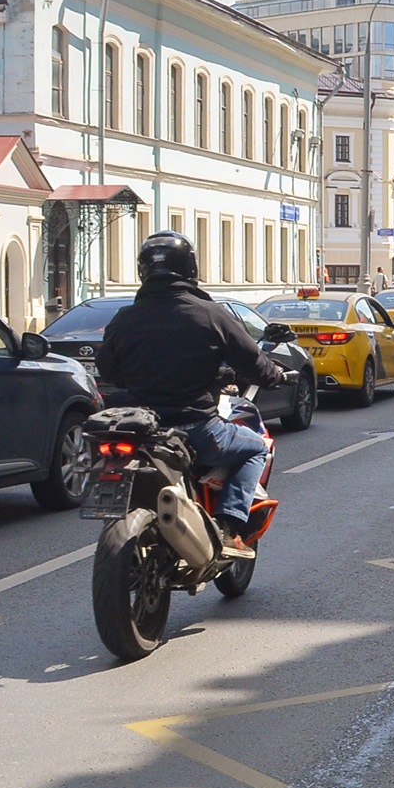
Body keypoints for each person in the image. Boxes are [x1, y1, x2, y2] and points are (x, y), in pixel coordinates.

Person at [98, 231, 290, 558]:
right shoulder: (210, 314)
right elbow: (254, 363)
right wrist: (276, 376)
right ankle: (229, 526)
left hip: (140, 429)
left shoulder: (125, 318)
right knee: (256, 448)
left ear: (143, 270)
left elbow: (109, 371)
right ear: (190, 268)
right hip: (195, 428)